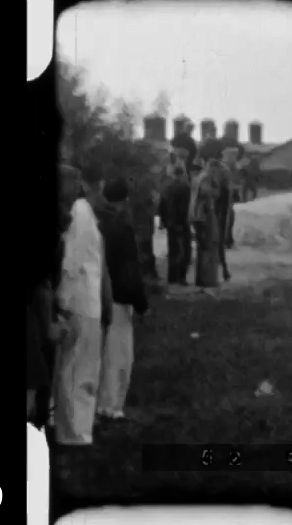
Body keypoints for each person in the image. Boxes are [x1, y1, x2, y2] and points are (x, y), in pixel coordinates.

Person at [54, 161, 113, 445]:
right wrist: (63, 301)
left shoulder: (83, 213)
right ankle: (74, 431)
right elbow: (73, 261)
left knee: (78, 366)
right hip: (80, 301)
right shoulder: (80, 213)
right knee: (79, 367)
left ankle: (75, 426)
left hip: (85, 299)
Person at [95, 177, 150, 421]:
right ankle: (111, 406)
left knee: (96, 352)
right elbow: (130, 269)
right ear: (125, 201)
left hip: (92, 295)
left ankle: (94, 403)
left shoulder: (93, 220)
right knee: (118, 355)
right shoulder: (121, 227)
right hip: (118, 297)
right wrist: (141, 303)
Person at [189, 159, 228, 286]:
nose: (217, 173)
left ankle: (204, 278)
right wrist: (216, 190)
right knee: (208, 246)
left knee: (204, 247)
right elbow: (206, 192)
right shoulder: (206, 178)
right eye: (216, 170)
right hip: (204, 215)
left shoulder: (199, 177)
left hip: (199, 215)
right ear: (212, 168)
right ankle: (207, 279)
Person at [160, 166, 192, 285]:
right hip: (181, 223)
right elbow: (184, 207)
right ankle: (181, 277)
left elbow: (161, 206)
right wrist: (184, 222)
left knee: (173, 251)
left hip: (170, 224)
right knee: (184, 252)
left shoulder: (166, 187)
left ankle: (172, 277)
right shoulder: (185, 187)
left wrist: (164, 221)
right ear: (183, 174)